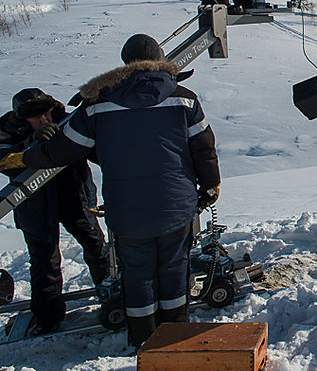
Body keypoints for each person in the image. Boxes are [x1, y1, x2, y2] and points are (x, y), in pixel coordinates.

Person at [22, 34, 221, 347]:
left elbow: (61, 151)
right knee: (173, 268)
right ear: (159, 59)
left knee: (138, 273)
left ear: (126, 63)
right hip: (175, 206)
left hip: (127, 212)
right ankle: (173, 337)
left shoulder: (97, 105)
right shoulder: (184, 98)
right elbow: (204, 148)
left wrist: (28, 154)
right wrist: (211, 185)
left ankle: (142, 339)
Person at [0, 89, 108, 335]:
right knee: (45, 262)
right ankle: (48, 318)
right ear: (23, 119)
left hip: (75, 196)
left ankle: (112, 293)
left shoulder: (67, 121)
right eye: (37, 118)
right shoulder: (8, 130)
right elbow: (4, 160)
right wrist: (31, 145)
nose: (45, 121)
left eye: (47, 114)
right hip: (35, 205)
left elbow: (94, 147)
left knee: (97, 247)